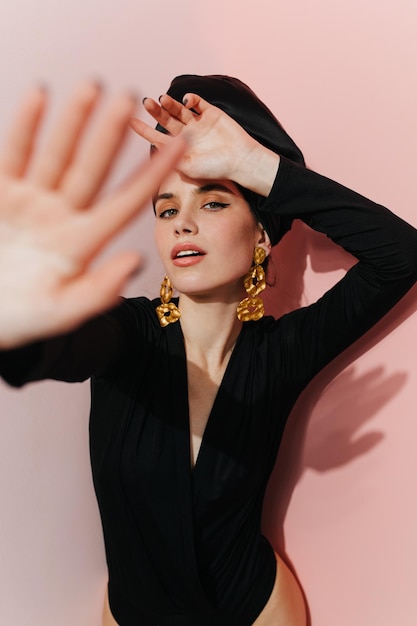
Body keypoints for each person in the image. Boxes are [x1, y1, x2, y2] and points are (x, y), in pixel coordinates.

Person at [1, 74, 417, 626]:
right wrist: (21, 317)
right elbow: (65, 346)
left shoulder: (282, 353)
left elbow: (401, 255)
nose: (184, 224)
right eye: (167, 209)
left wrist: (258, 169)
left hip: (257, 610)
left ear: (262, 236)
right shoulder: (129, 335)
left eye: (215, 202)